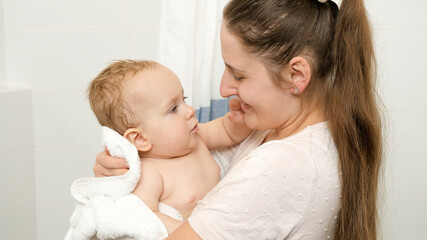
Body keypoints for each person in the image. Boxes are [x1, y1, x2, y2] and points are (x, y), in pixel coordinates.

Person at [94, 0, 383, 239]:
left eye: (239, 74)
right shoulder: (277, 130)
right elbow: (185, 155)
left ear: (297, 75)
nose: (223, 89)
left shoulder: (284, 164)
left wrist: (122, 202)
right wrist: (126, 166)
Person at [88, 59, 251, 234]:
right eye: (173, 109)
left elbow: (227, 132)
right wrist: (191, 233)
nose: (190, 110)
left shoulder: (195, 138)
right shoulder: (151, 173)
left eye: (184, 99)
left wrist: (239, 119)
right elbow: (145, 218)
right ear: (140, 139)